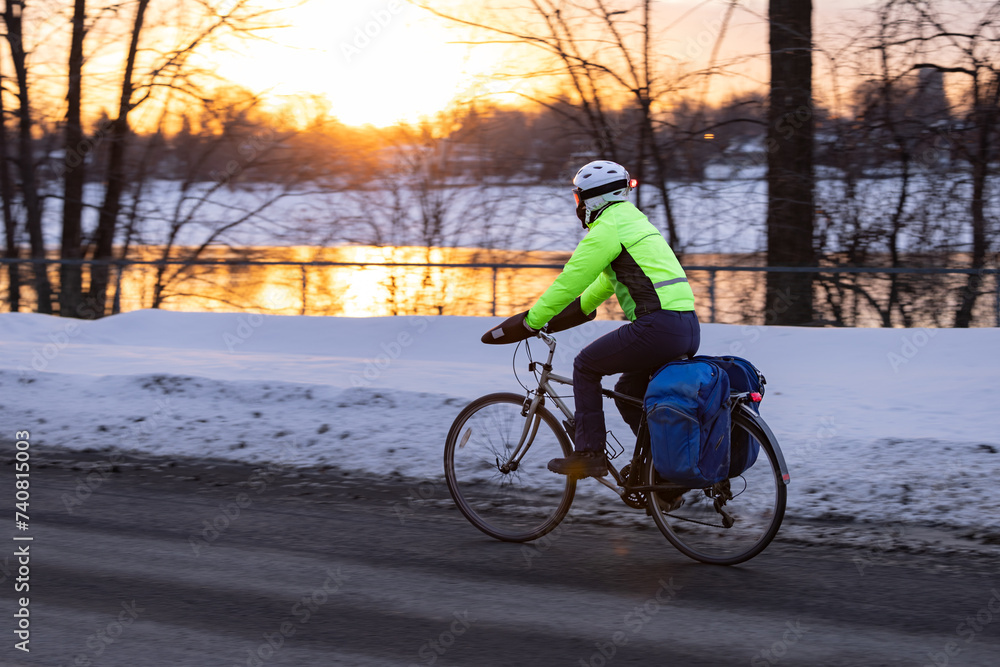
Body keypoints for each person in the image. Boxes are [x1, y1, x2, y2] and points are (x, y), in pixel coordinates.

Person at [523, 160, 700, 478]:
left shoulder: (607, 228)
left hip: (657, 327)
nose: (577, 205)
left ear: (592, 199)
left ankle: (589, 453)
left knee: (586, 366)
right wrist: (575, 314)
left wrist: (531, 320)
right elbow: (605, 282)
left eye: (578, 198)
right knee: (630, 392)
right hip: (686, 326)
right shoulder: (634, 222)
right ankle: (664, 476)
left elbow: (571, 280)